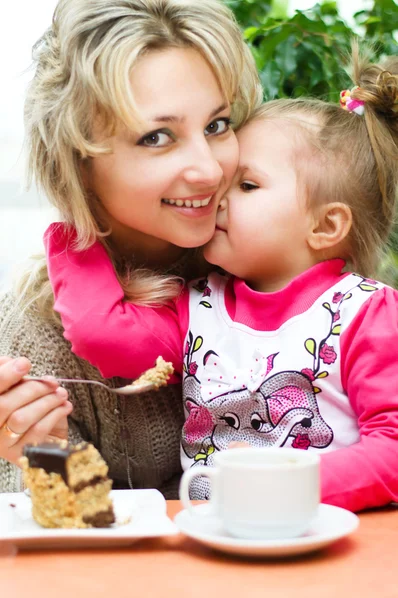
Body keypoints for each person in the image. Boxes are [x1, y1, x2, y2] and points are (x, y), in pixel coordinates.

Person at [45, 46, 398, 512]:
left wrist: (287, 485)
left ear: (326, 226)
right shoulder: (200, 307)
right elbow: (103, 334)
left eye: (247, 185)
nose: (216, 188)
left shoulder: (366, 315)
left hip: (328, 545)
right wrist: (77, 222)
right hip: (215, 542)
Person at [0, 0, 262, 494]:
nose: (209, 170)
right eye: (157, 137)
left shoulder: (277, 264)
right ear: (79, 164)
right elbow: (67, 546)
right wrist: (49, 458)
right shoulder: (37, 338)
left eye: (217, 125)